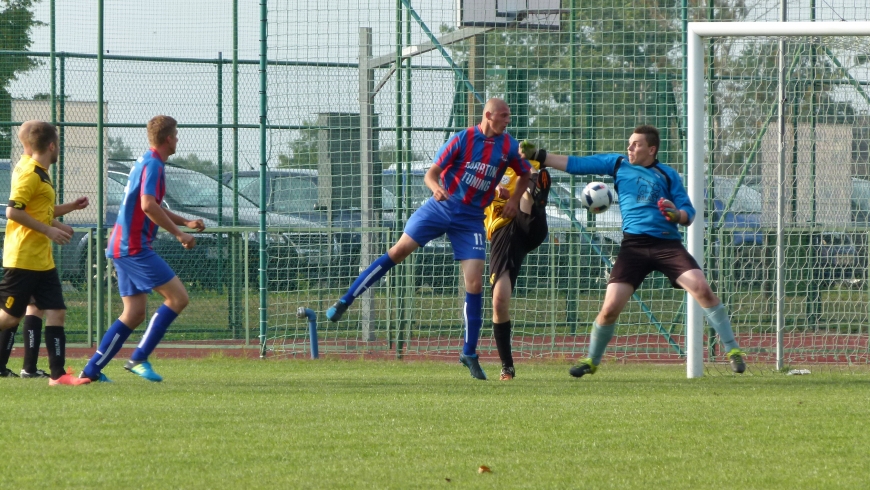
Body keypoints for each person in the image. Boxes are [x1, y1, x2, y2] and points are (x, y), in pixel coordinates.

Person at [325, 98, 532, 380]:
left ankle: (469, 352)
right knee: (399, 251)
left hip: (470, 219)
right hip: (439, 208)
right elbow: (432, 173)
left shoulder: (508, 145)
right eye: (504, 116)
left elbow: (525, 174)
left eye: (509, 116)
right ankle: (345, 301)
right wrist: (436, 188)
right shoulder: (462, 139)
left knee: (474, 280)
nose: (508, 120)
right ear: (488, 115)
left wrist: (514, 198)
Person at [526, 125, 746, 376]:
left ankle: (733, 350)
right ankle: (591, 361)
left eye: (636, 144)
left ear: (651, 149)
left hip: (667, 245)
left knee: (702, 289)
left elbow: (689, 214)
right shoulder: (618, 164)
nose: (629, 147)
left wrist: (677, 214)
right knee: (609, 309)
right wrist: (540, 156)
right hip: (633, 247)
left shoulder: (667, 174)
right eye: (629, 143)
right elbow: (578, 164)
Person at [78, 115, 205, 383]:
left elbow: (149, 204)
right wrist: (180, 234)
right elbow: (148, 205)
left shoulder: (144, 161)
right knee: (178, 298)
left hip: (121, 244)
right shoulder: (154, 165)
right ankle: (139, 357)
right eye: (177, 135)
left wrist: (185, 221)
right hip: (133, 247)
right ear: (169, 138)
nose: (178, 139)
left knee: (134, 313)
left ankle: (90, 371)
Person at [0, 121, 89, 385]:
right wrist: (49, 231)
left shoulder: (39, 170)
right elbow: (13, 212)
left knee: (56, 311)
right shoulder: (30, 172)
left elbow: (40, 211)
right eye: (58, 143)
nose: (58, 148)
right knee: (9, 318)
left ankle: (58, 376)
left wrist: (67, 211)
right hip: (24, 257)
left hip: (42, 260)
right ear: (51, 146)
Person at [484, 142, 551, 380]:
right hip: (502, 230)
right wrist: (494, 192)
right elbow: (465, 190)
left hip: (528, 221)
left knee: (528, 189)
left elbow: (535, 171)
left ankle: (537, 199)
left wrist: (526, 181)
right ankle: (507, 367)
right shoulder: (481, 168)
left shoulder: (520, 160)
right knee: (499, 299)